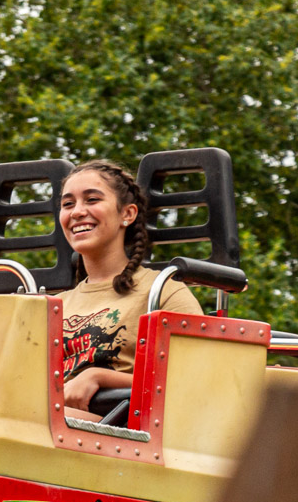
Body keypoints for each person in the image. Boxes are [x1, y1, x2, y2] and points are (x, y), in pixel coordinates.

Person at [57, 159, 203, 411]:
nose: (77, 212)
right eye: (68, 204)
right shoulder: (56, 304)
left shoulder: (161, 292)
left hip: (121, 433)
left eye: (92, 200)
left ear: (127, 214)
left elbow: (197, 382)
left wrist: (99, 377)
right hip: (46, 428)